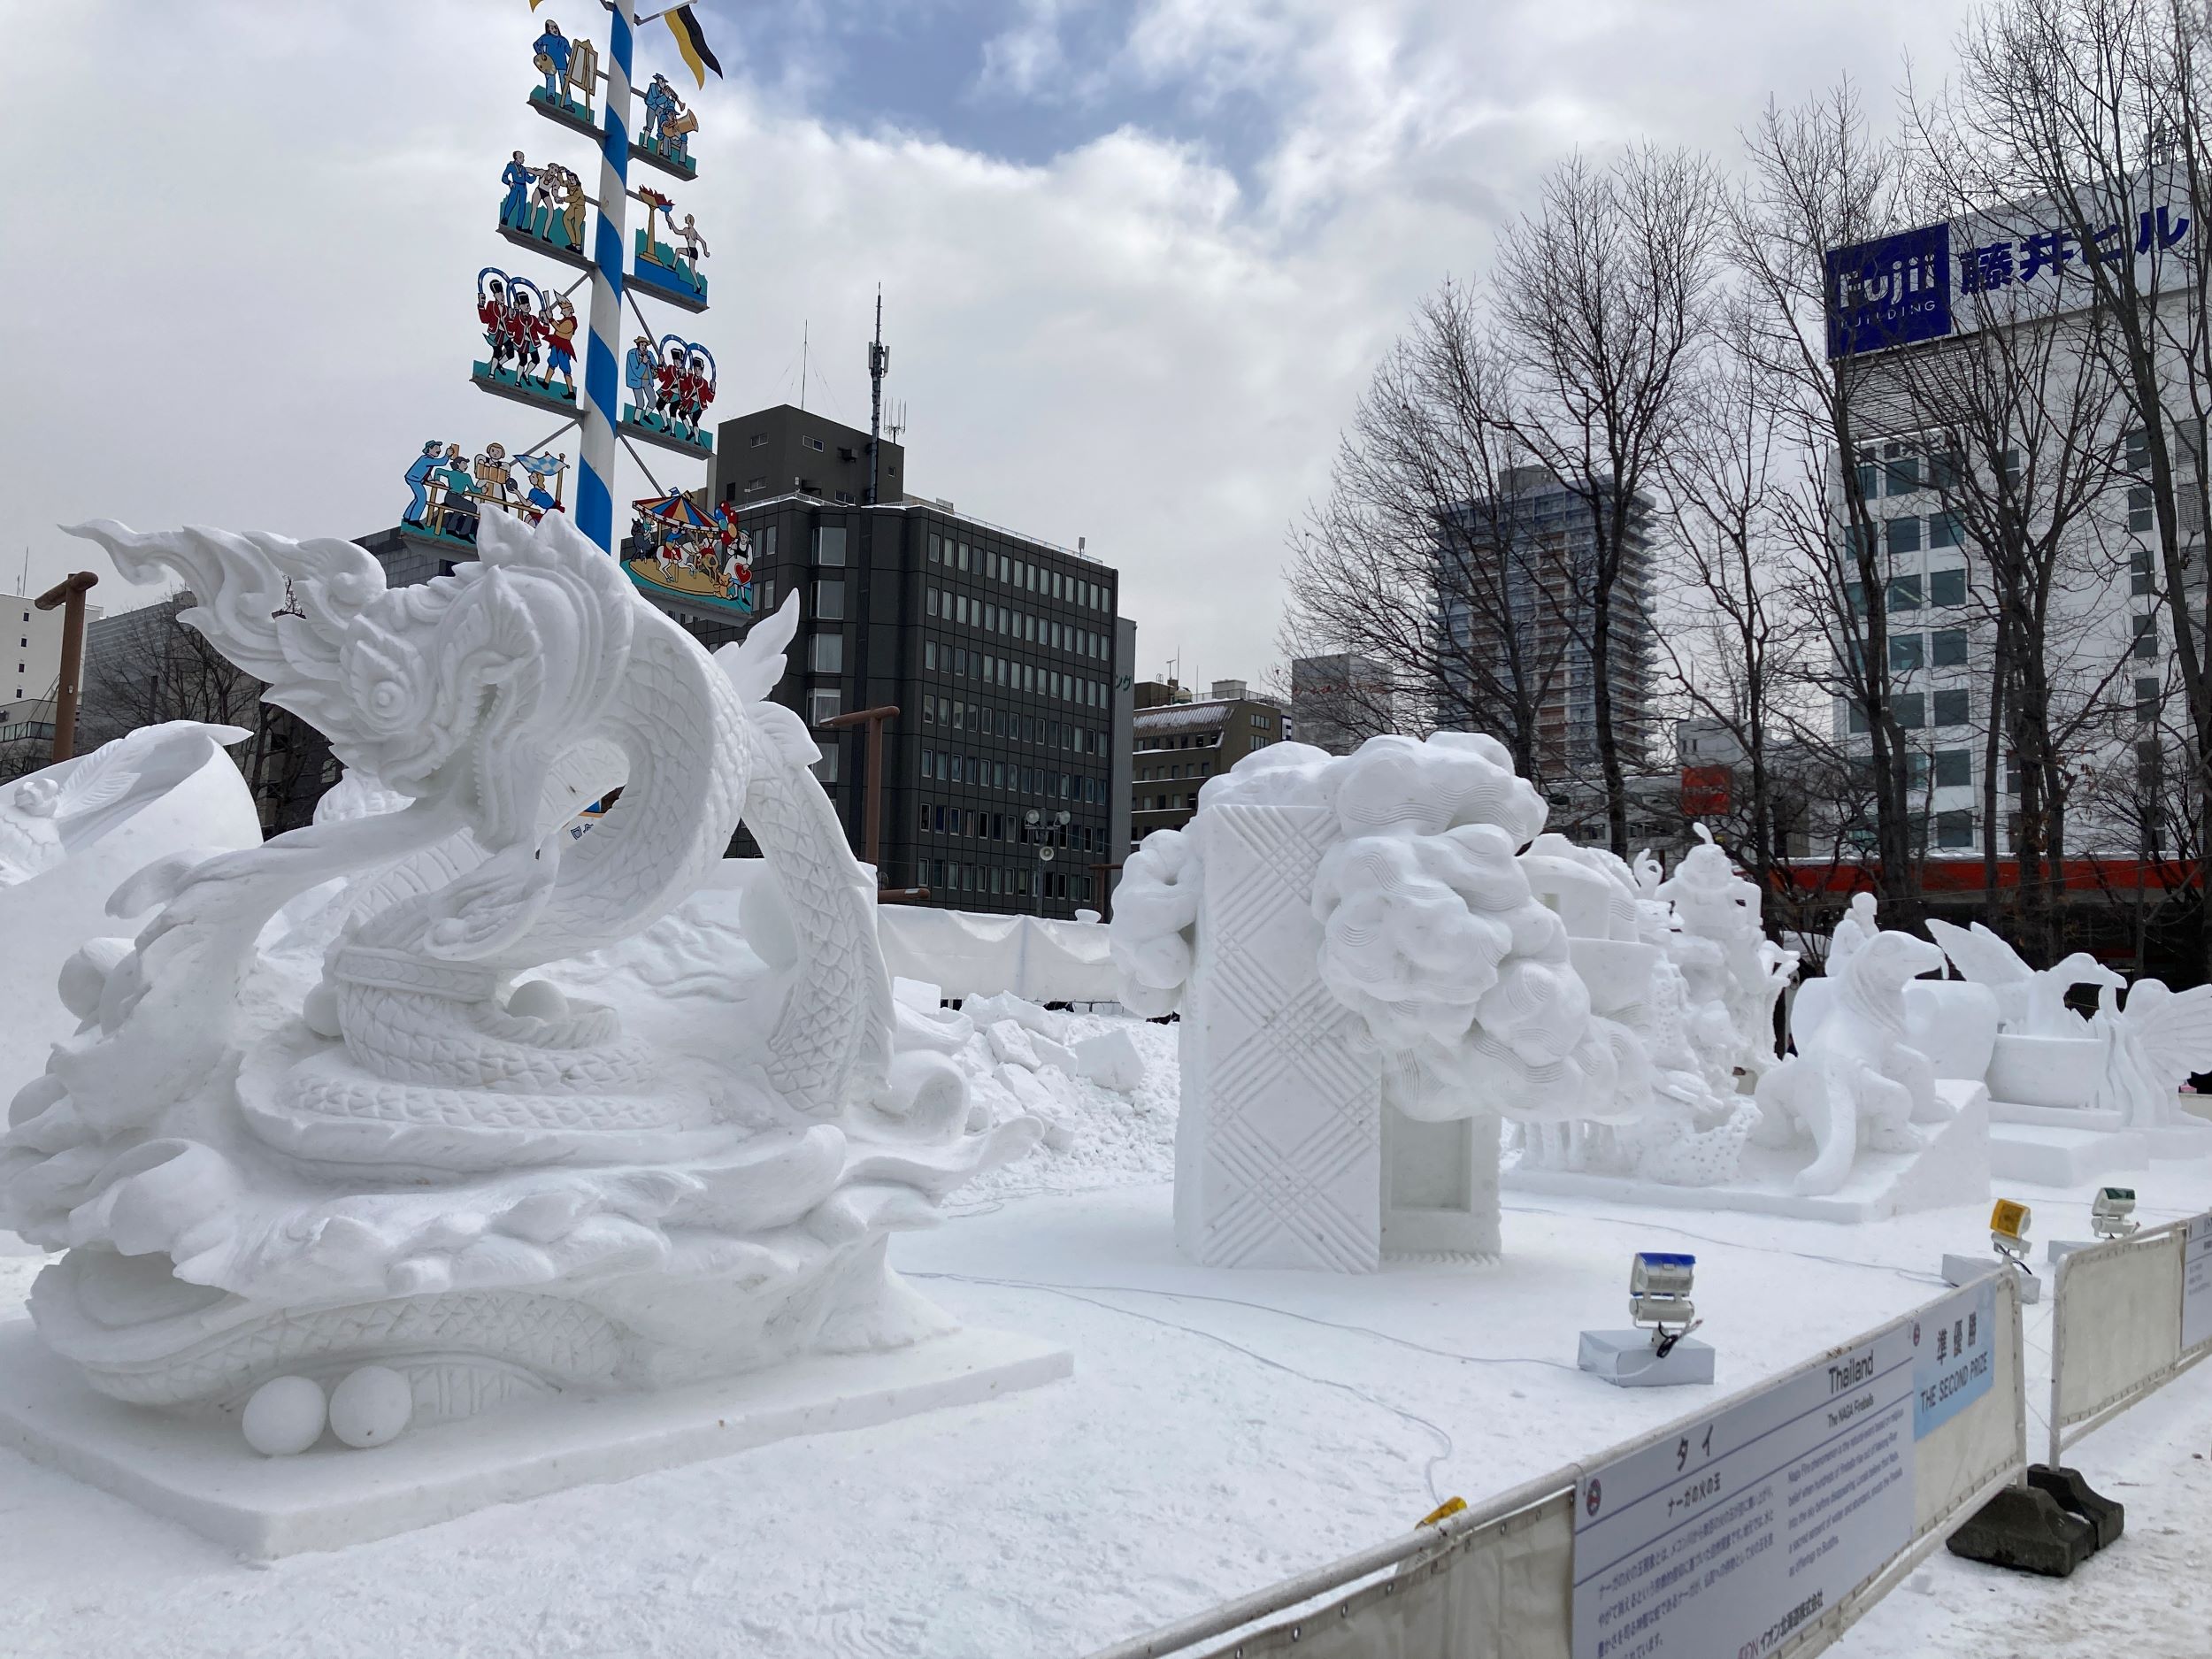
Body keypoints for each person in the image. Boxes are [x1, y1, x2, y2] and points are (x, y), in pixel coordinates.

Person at [403, 441, 442, 526]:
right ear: (429, 449)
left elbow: (426, 472)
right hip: (414, 479)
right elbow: (441, 462)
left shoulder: (428, 459)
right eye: (436, 448)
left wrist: (432, 481)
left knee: (418, 498)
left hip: (415, 479)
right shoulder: (426, 459)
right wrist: (447, 455)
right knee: (422, 499)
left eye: (439, 448)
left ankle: (407, 516)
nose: (439, 450)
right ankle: (413, 520)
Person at [544, 298, 578, 397]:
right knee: (552, 363)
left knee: (565, 368)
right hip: (557, 344)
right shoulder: (566, 320)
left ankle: (571, 391)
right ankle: (546, 382)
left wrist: (551, 319)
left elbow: (560, 328)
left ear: (569, 309)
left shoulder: (571, 322)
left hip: (563, 348)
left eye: (563, 310)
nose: (561, 312)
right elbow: (558, 326)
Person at [625, 335, 660, 424]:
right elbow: (637, 373)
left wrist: (658, 364)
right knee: (640, 402)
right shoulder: (632, 353)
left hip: (647, 380)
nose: (644, 347)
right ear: (638, 345)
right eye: (642, 344)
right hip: (636, 381)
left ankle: (646, 415)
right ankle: (636, 420)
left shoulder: (649, 354)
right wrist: (644, 363)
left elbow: (656, 367)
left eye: (645, 345)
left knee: (653, 400)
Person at [533, 20, 571, 100]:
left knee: (565, 84)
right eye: (552, 27)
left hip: (562, 65)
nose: (555, 29)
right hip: (549, 63)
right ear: (548, 29)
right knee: (550, 80)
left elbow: (570, 53)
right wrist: (541, 55)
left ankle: (567, 102)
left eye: (556, 27)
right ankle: (550, 96)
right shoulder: (546, 37)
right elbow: (536, 44)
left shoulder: (563, 40)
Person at [499, 151, 535, 229]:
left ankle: (519, 225)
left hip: (523, 188)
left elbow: (529, 180)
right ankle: (505, 218)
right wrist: (509, 183)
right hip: (515, 186)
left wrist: (535, 175)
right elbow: (504, 177)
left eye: (523, 157)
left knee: (522, 206)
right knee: (511, 202)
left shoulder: (523, 169)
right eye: (521, 157)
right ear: (516, 157)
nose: (523, 159)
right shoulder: (511, 166)